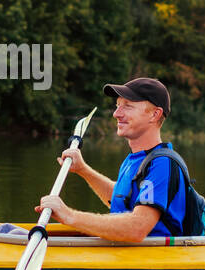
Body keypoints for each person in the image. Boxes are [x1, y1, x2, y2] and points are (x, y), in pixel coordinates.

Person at [35, 77, 191, 242]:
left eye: (128, 106)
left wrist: (69, 216)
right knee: (7, 230)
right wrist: (83, 170)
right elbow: (121, 199)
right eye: (117, 106)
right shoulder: (135, 159)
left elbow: (137, 228)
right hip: (126, 253)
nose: (116, 114)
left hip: (151, 261)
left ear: (154, 114)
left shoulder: (163, 164)